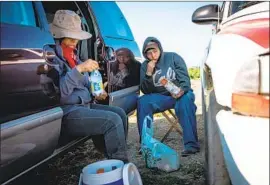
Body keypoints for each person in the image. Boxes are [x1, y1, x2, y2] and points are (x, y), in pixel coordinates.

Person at [44, 10, 129, 162]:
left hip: (85, 106)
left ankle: (110, 158)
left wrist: (96, 92)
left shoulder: (74, 56)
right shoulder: (52, 58)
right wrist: (79, 70)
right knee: (112, 121)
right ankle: (119, 165)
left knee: (120, 114)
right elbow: (61, 93)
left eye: (77, 38)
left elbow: (83, 86)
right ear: (60, 36)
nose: (75, 42)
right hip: (68, 112)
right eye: (71, 38)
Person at [137, 37, 200, 157]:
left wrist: (181, 91)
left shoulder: (173, 57)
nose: (152, 55)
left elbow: (185, 81)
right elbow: (145, 90)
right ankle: (146, 144)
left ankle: (191, 145)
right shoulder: (145, 65)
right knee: (142, 101)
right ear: (145, 54)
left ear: (159, 48)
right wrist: (149, 73)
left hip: (181, 93)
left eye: (154, 51)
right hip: (161, 98)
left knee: (185, 101)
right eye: (148, 53)